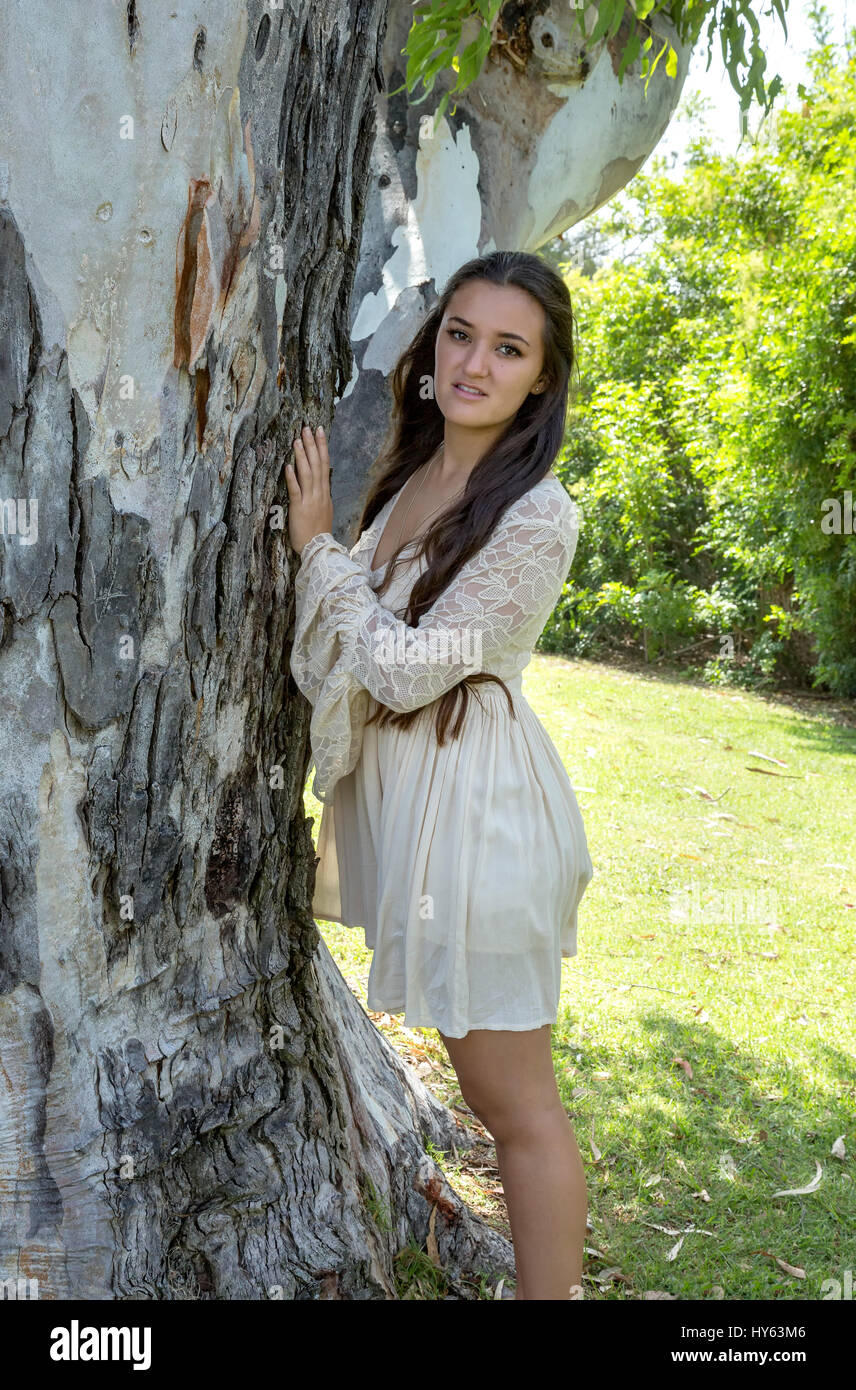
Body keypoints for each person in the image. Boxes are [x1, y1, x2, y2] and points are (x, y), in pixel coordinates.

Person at [286, 250, 594, 1300]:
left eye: (507, 348)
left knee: (514, 1106)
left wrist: (320, 549)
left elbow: (406, 669)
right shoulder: (419, 474)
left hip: (481, 822)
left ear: (540, 380)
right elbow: (342, 644)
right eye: (460, 334)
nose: (474, 362)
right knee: (501, 1095)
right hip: (431, 812)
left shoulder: (537, 512)